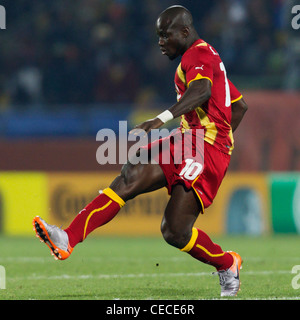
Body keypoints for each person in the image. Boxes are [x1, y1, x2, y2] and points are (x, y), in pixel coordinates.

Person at [33, 5, 248, 297]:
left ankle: (227, 263)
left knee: (174, 231)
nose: (160, 42)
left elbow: (202, 92)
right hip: (188, 140)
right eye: (158, 35)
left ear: (184, 32)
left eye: (165, 35)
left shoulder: (198, 55)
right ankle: (67, 238)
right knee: (132, 171)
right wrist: (217, 134)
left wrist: (213, 142)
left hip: (206, 148)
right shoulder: (207, 58)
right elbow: (239, 106)